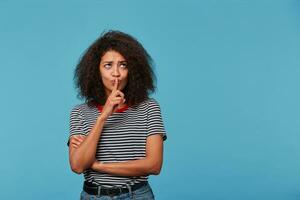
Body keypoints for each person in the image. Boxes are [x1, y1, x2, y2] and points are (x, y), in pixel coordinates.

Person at [67, 30, 167, 200]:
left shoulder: (149, 108)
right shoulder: (80, 112)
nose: (116, 73)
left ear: (133, 70)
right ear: (95, 70)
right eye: (108, 65)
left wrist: (99, 165)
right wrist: (103, 116)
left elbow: (154, 165)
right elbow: (77, 165)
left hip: (136, 195)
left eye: (123, 65)